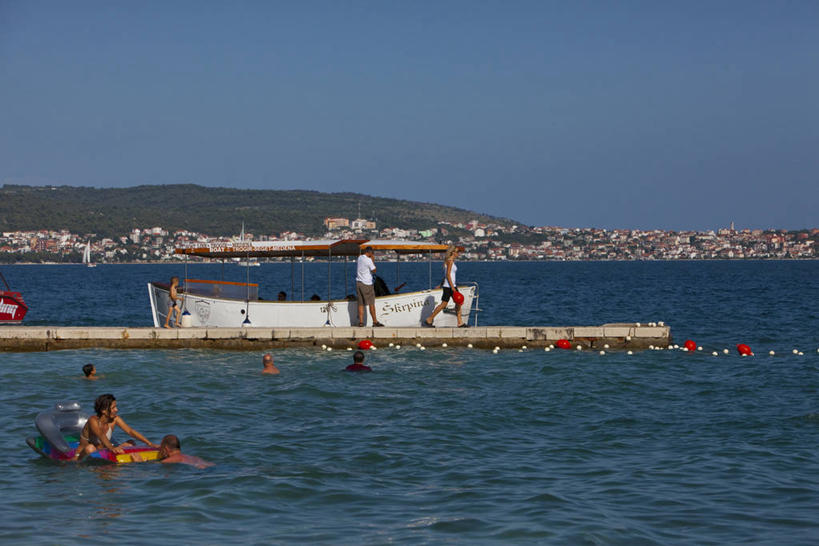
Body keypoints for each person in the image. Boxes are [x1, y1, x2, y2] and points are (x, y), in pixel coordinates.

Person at [74, 394, 157, 460]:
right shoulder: (93, 420)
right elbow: (100, 435)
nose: (116, 410)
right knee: (90, 448)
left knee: (131, 443)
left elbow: (130, 431)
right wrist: (111, 447)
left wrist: (149, 443)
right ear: (104, 410)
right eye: (113, 407)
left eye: (116, 407)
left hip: (103, 451)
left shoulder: (115, 419)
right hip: (82, 454)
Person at [424, 245, 465, 328]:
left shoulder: (449, 261)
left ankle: (460, 322)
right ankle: (429, 319)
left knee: (456, 303)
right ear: (453, 252)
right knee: (447, 304)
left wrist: (441, 284)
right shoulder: (450, 261)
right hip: (450, 286)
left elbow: (445, 276)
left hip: (449, 285)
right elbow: (448, 275)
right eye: (457, 252)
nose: (458, 254)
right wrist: (453, 288)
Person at [356, 247, 383, 327]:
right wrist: (372, 260)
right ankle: (375, 321)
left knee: (360, 304)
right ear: (370, 253)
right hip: (367, 284)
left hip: (359, 282)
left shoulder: (360, 258)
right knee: (371, 303)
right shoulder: (368, 260)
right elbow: (374, 270)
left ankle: (361, 322)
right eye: (372, 253)